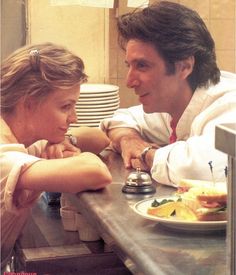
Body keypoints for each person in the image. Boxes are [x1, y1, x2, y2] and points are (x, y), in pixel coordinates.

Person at [0, 42, 112, 269]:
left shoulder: (21, 138)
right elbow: (96, 172)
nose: (74, 117)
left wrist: (63, 141)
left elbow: (99, 139)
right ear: (30, 103)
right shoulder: (4, 155)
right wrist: (69, 153)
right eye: (65, 106)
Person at [101, 1, 236, 186]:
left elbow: (199, 169)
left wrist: (144, 152)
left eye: (142, 65)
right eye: (129, 66)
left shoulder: (229, 104)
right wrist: (129, 140)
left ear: (184, 66)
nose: (129, 81)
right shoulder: (173, 106)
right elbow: (121, 119)